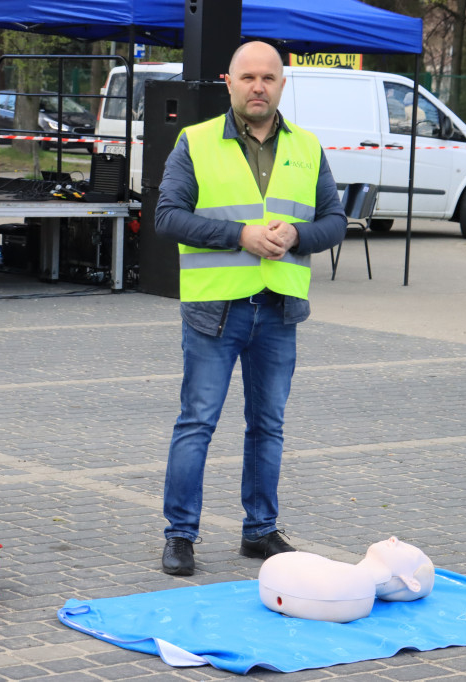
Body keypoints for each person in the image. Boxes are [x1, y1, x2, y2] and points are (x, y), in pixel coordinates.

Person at [155, 40, 347, 576]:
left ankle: (259, 531)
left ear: (282, 84)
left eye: (268, 77)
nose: (258, 86)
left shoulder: (307, 146)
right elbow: (168, 216)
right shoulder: (194, 142)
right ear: (229, 82)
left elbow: (335, 220)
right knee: (197, 422)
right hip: (214, 310)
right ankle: (180, 535)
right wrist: (239, 234)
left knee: (268, 425)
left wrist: (300, 234)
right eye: (248, 78)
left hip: (279, 308)